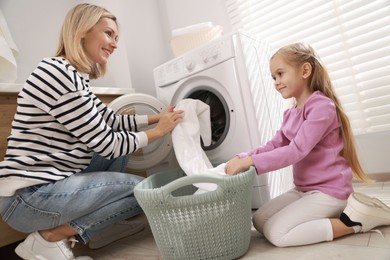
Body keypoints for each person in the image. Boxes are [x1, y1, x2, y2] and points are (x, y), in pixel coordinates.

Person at [0, 3, 183, 260]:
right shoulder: (58, 74)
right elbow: (108, 144)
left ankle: (99, 230)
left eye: (116, 37)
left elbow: (109, 121)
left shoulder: (73, 75)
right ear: (83, 30)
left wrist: (157, 118)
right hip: (29, 198)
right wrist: (158, 132)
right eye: (109, 34)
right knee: (144, 191)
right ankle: (48, 239)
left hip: (43, 187)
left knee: (120, 149)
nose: (114, 44)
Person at [224, 42, 390, 247]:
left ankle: (355, 222)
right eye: (273, 77)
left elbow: (296, 150)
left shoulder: (322, 107)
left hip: (330, 191)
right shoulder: (291, 113)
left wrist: (252, 161)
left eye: (280, 73)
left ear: (305, 70)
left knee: (278, 234)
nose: (276, 82)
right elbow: (275, 145)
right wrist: (243, 157)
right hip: (304, 189)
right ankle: (323, 218)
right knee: (259, 220)